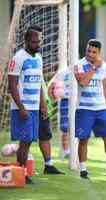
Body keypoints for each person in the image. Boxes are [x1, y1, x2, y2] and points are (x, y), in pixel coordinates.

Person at [74, 39, 106, 180]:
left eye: (94, 52)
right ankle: (83, 169)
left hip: (101, 109)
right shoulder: (79, 65)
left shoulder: (104, 66)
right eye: (89, 51)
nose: (90, 54)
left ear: (99, 52)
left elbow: (105, 87)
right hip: (84, 109)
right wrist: (94, 68)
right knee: (84, 140)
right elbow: (83, 82)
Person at [8, 25, 46, 184]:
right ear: (26, 41)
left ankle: (21, 170)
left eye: (39, 41)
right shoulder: (18, 58)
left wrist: (43, 105)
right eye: (34, 42)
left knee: (29, 140)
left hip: (35, 107)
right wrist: (21, 107)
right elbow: (12, 84)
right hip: (22, 108)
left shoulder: (38, 58)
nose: (37, 44)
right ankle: (21, 173)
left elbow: (40, 83)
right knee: (24, 141)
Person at [48, 67, 71, 158]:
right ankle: (66, 151)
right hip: (65, 100)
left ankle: (76, 150)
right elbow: (51, 85)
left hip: (78, 100)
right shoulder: (63, 72)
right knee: (65, 127)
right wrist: (52, 95)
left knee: (78, 127)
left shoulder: (81, 69)